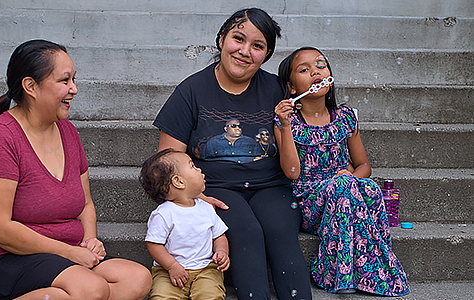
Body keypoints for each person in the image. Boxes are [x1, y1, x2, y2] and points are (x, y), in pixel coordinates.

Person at [0, 39, 151, 300]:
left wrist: (89, 242)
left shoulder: (67, 132)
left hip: (63, 257)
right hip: (0, 259)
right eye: (64, 81)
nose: (74, 89)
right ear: (30, 86)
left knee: (137, 279)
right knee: (91, 289)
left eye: (74, 80)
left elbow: (86, 204)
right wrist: (68, 253)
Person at [153, 8, 312, 300]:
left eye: (258, 46)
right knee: (246, 232)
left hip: (271, 186)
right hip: (217, 188)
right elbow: (167, 162)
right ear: (222, 39)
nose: (245, 51)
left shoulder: (276, 89)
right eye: (238, 39)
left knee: (280, 228)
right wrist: (195, 197)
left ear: (266, 54)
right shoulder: (191, 91)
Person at [274, 46, 410, 296]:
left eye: (320, 65)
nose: (315, 71)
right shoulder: (287, 122)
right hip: (308, 202)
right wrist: (284, 124)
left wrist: (350, 176)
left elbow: (364, 167)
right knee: (344, 187)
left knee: (368, 187)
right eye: (304, 70)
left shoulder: (345, 118)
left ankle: (371, 271)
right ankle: (335, 272)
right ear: (292, 88)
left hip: (346, 195)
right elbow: (292, 172)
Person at [140, 148, 230, 299]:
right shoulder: (164, 214)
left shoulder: (206, 208)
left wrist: (222, 251)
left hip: (205, 269)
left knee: (212, 295)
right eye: (192, 166)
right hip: (168, 270)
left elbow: (219, 236)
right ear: (179, 182)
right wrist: (172, 266)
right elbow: (154, 244)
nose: (199, 169)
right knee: (161, 296)